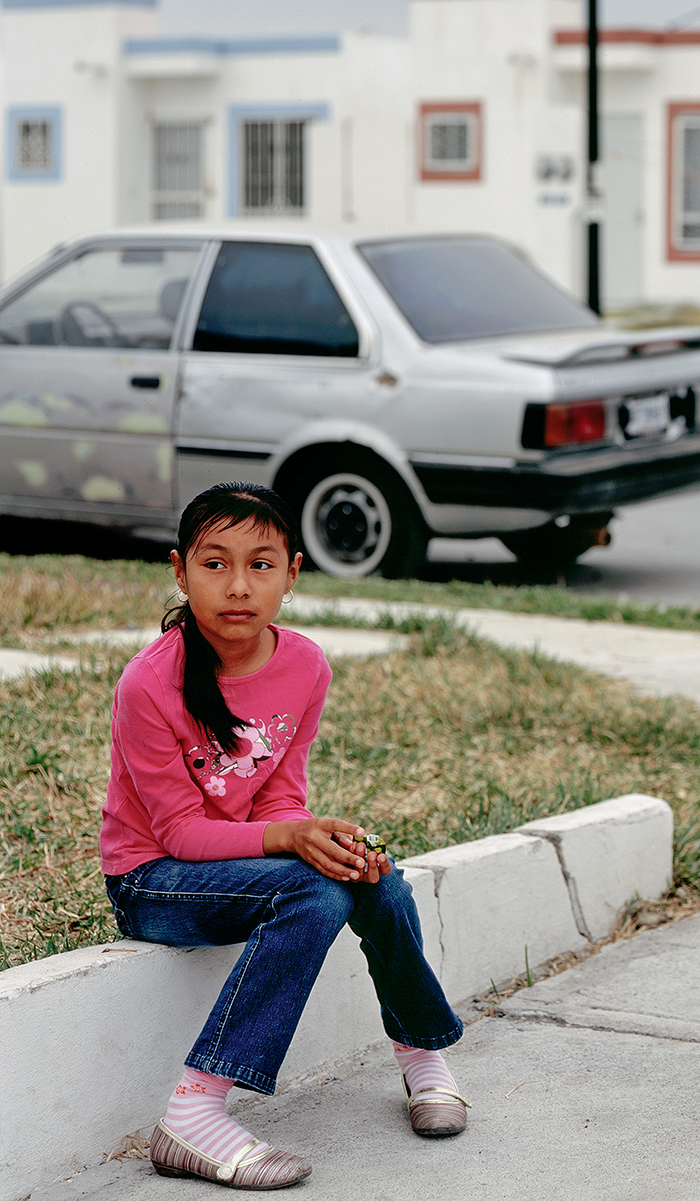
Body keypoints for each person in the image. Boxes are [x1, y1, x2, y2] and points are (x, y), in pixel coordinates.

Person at [101, 482, 468, 1190]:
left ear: (293, 573)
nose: (238, 586)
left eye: (261, 565)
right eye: (215, 564)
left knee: (372, 876)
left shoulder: (303, 664)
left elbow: (278, 795)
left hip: (238, 864)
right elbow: (177, 833)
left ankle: (422, 1057)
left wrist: (314, 836)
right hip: (153, 880)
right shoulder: (149, 683)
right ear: (180, 571)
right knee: (314, 893)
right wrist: (291, 841)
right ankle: (194, 1113)